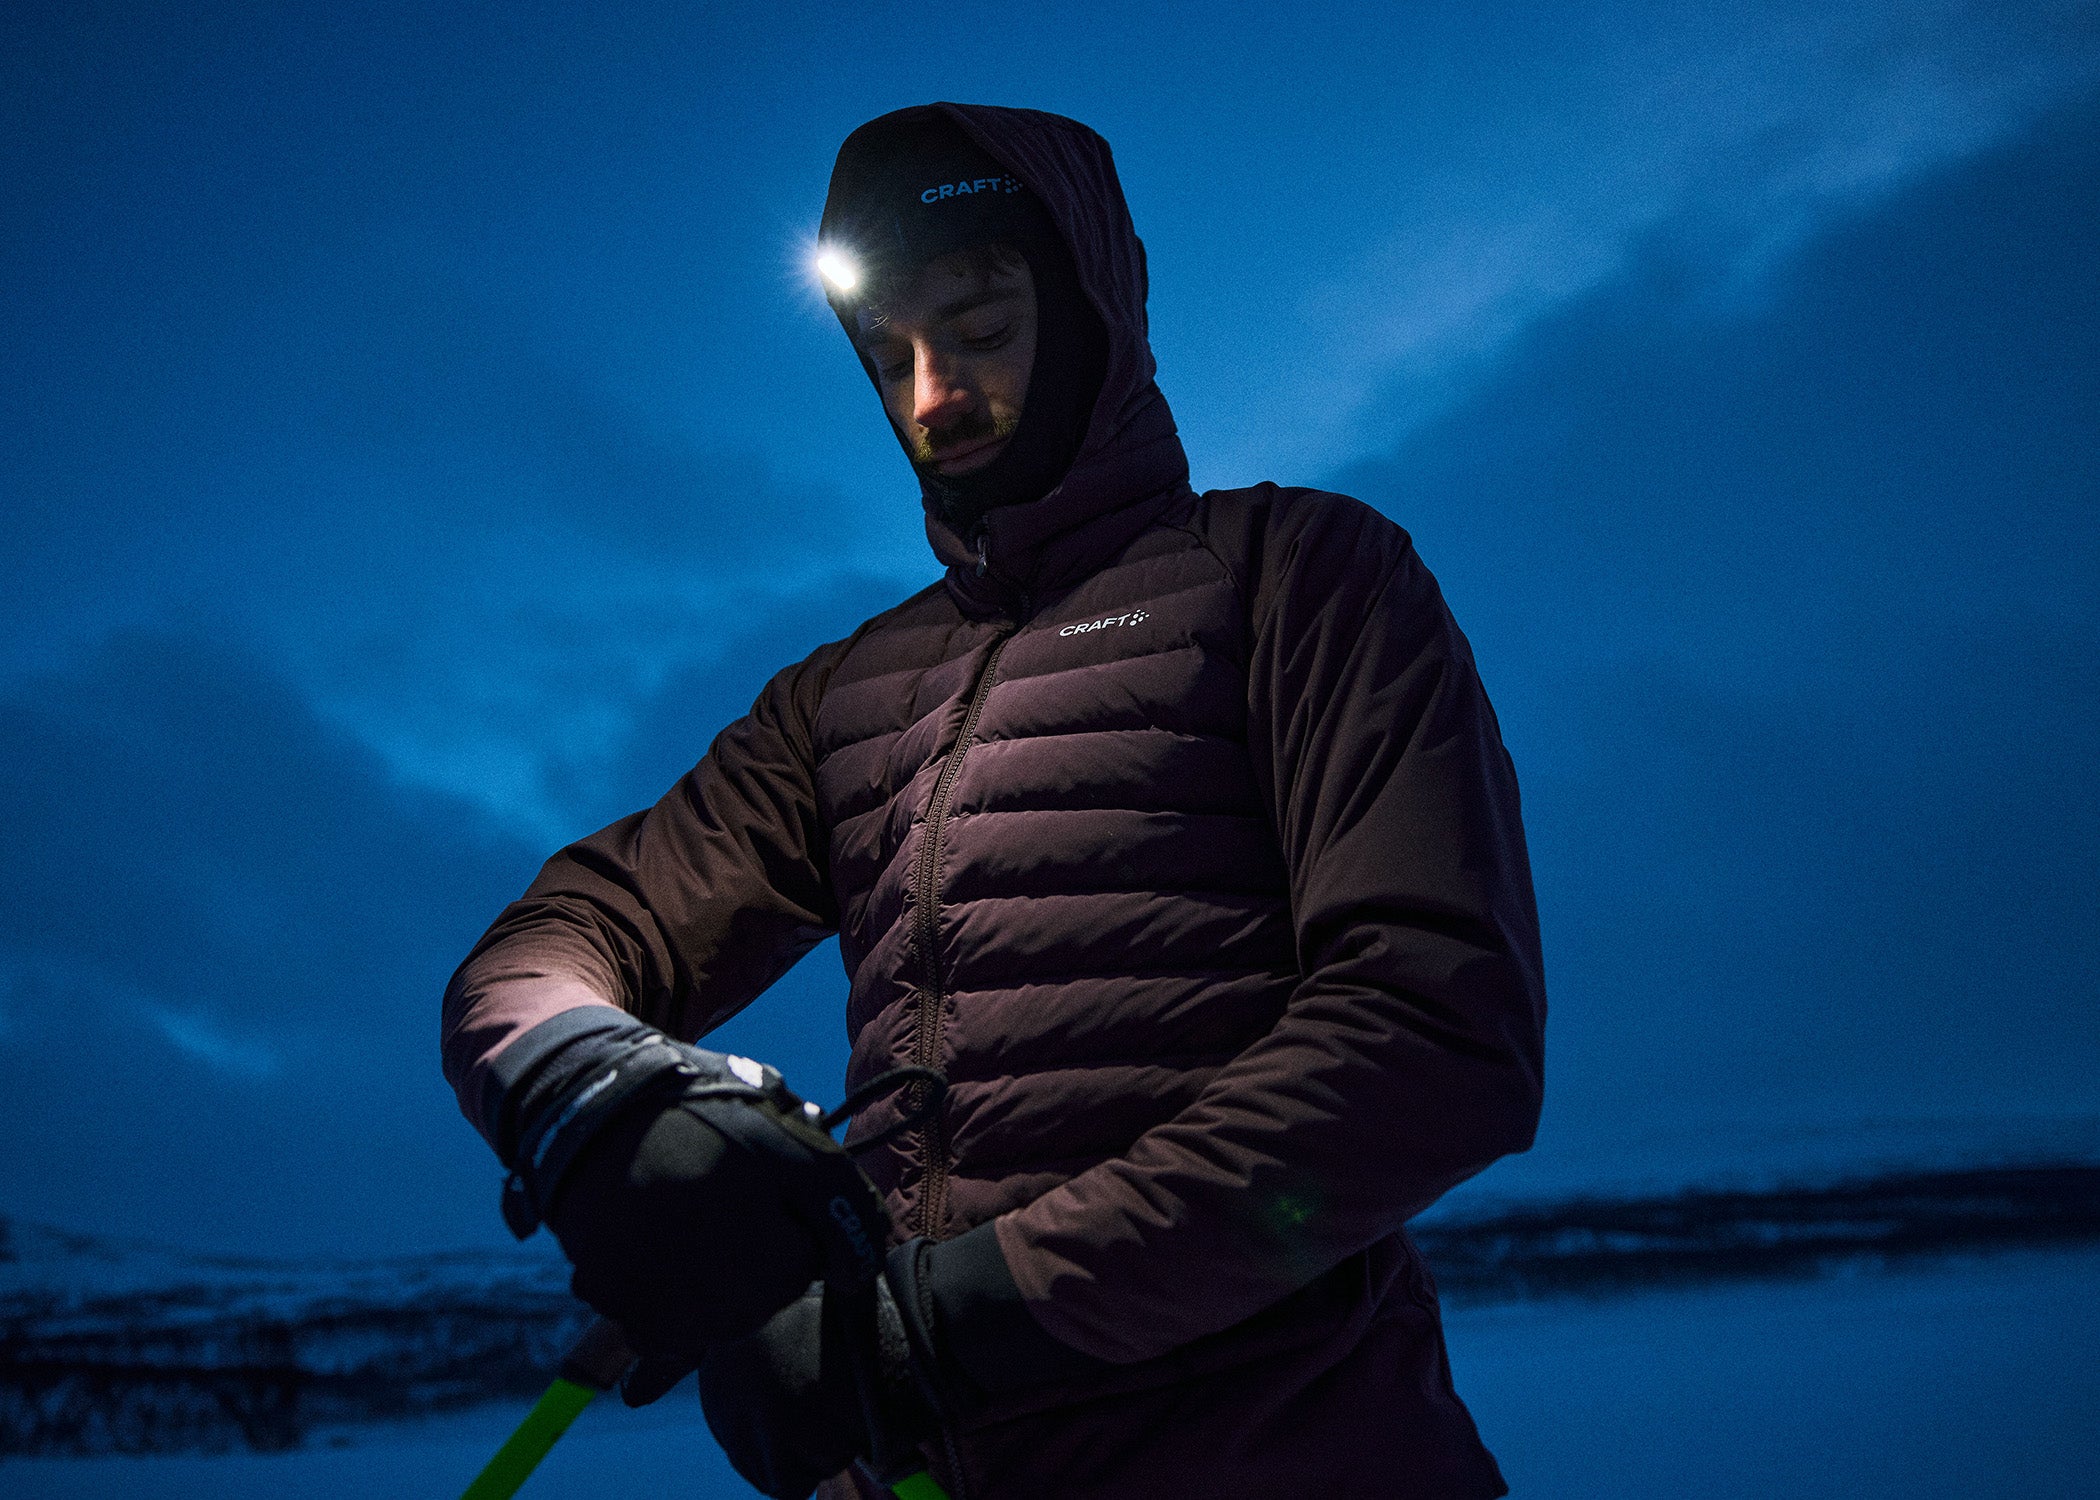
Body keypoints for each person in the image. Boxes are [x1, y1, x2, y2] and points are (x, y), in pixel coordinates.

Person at [442, 102, 1547, 1500]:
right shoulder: (842, 698)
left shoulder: (1298, 579)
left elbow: (1435, 1034)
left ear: (1088, 304)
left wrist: (947, 1325)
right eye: (886, 353)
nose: (930, 398)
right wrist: (602, 1093)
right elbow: (557, 941)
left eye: (977, 324)